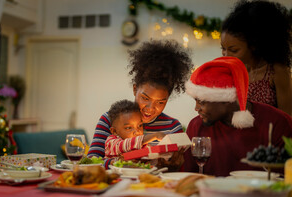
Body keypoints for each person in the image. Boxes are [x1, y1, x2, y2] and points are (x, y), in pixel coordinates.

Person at [88, 39, 193, 169]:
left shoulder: (172, 127)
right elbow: (91, 162)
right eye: (145, 98)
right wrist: (119, 163)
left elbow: (179, 171)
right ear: (134, 89)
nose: (150, 108)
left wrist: (174, 165)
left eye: (160, 102)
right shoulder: (111, 120)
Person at [183, 56, 292, 177]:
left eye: (201, 101)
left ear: (227, 99)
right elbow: (187, 176)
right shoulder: (196, 126)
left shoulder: (277, 123)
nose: (196, 108)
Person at [221, 0, 292, 116]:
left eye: (234, 50)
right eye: (223, 48)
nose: (226, 55)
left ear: (254, 45)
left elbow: (287, 120)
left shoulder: (277, 72)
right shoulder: (231, 72)